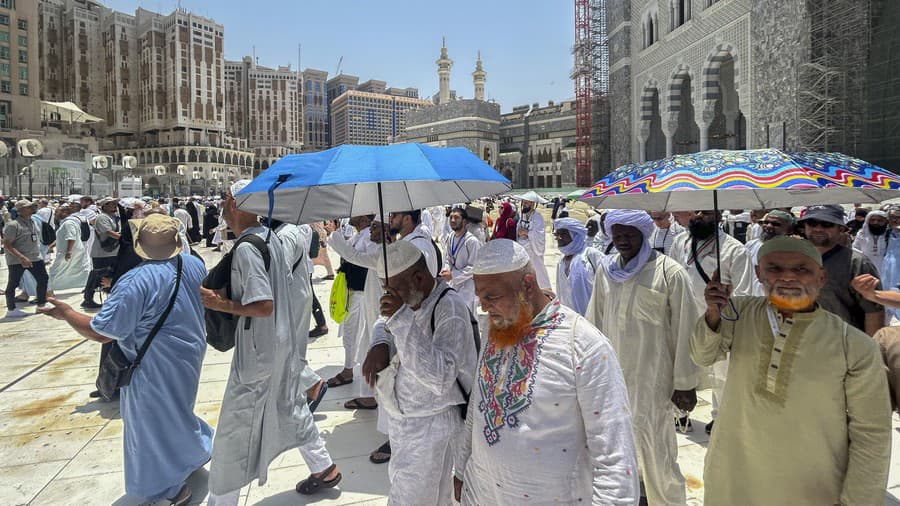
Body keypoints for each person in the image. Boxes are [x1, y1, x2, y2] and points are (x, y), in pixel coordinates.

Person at [694, 236, 891, 505]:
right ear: (758, 274)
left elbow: (871, 432)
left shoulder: (853, 344)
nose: (787, 277)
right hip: (733, 474)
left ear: (821, 277)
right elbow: (702, 355)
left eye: (801, 269)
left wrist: (859, 499)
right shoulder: (738, 312)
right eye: (774, 268)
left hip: (811, 487)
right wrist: (713, 313)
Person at [38, 213, 213, 505]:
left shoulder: (137, 280)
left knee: (149, 426)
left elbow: (102, 332)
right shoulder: (194, 263)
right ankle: (194, 453)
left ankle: (169, 490)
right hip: (189, 352)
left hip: (153, 365)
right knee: (176, 409)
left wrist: (67, 313)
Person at [453, 238, 639, 504]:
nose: (483, 307)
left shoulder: (583, 345)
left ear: (527, 285)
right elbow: (480, 404)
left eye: (492, 296)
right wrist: (461, 469)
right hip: (483, 493)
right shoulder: (495, 329)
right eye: (480, 296)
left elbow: (614, 454)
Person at [200, 181, 341, 504]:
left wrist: (220, 304)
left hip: (261, 351)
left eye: (226, 199)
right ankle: (324, 466)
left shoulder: (259, 243)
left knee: (234, 436)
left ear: (238, 204)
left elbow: (263, 303)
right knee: (289, 405)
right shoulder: (268, 236)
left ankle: (222, 500)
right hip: (277, 341)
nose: (222, 204)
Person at [586, 210, 699, 505]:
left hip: (654, 380)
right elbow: (593, 323)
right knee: (616, 447)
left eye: (629, 234)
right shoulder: (606, 271)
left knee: (657, 453)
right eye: (617, 234)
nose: (622, 240)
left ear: (644, 234)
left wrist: (685, 382)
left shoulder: (669, 272)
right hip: (612, 378)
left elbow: (686, 327)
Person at [361, 241, 478, 505]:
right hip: (408, 423)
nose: (389, 297)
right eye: (385, 289)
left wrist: (400, 319)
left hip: (433, 429)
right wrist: (379, 341)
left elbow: (440, 378)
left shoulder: (451, 310)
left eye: (395, 289)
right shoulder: (411, 298)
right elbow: (384, 320)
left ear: (419, 278)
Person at [668, 209, 754, 434]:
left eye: (705, 213)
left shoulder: (734, 250)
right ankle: (681, 415)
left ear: (717, 216)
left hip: (717, 322)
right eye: (695, 212)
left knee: (720, 375)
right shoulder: (680, 242)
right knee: (681, 368)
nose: (698, 216)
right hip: (685, 317)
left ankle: (720, 418)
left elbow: (744, 292)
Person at [800, 204, 884, 336]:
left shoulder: (856, 263)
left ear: (841, 229)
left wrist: (873, 350)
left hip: (845, 342)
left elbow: (873, 310)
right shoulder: (794, 259)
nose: (818, 228)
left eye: (826, 224)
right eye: (812, 223)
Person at [324, 215, 376, 392]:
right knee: (350, 332)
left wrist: (335, 235)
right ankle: (349, 368)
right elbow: (348, 252)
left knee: (356, 333)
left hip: (362, 293)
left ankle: (350, 371)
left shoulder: (369, 236)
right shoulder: (360, 235)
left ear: (363, 218)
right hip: (353, 291)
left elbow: (357, 258)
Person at [3, 200, 49, 317]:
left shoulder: (33, 221)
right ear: (21, 210)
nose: (32, 208)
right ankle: (11, 309)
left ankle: (41, 305)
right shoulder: (13, 225)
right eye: (29, 207)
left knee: (43, 278)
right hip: (17, 260)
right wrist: (22, 257)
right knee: (13, 283)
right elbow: (8, 245)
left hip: (35, 257)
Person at [553, 217, 602, 316]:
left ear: (575, 235)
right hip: (570, 319)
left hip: (592, 318)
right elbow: (560, 293)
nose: (559, 238)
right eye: (557, 234)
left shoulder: (590, 255)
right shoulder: (561, 261)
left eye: (563, 234)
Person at [82, 197, 121, 309]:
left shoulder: (112, 217)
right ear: (105, 206)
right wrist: (122, 238)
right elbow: (108, 232)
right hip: (102, 253)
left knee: (108, 275)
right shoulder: (102, 217)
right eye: (111, 204)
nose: (114, 206)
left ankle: (111, 297)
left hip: (111, 252)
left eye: (115, 204)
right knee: (98, 275)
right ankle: (88, 298)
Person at [441, 207, 481, 311]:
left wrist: (453, 275)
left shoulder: (472, 241)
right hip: (453, 285)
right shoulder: (451, 237)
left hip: (468, 288)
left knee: (469, 318)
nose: (453, 221)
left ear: (464, 221)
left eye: (456, 218)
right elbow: (448, 259)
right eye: (451, 218)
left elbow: (474, 267)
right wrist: (446, 270)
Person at [744, 210, 794, 296]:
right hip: (750, 299)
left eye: (776, 224)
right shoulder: (750, 245)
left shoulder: (793, 251)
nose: (769, 226)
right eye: (766, 222)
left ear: (789, 230)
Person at [47, 203, 89, 295]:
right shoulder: (67, 222)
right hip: (71, 250)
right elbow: (61, 237)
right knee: (77, 270)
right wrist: (51, 246)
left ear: (64, 212)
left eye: (56, 212)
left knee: (54, 271)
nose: (54, 215)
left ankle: (49, 291)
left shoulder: (69, 223)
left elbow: (71, 237)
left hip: (68, 251)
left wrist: (68, 251)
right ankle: (88, 285)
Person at [516, 196, 551, 289]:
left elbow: (539, 235)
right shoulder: (522, 216)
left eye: (527, 202)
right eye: (523, 202)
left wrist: (526, 232)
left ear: (532, 204)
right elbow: (518, 229)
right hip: (523, 250)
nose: (524, 204)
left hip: (533, 251)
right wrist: (519, 232)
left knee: (537, 273)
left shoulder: (537, 217)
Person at [852, 209, 889, 274]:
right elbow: (855, 249)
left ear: (885, 221)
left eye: (879, 220)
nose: (875, 222)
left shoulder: (890, 235)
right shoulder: (862, 234)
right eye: (872, 220)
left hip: (886, 269)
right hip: (866, 268)